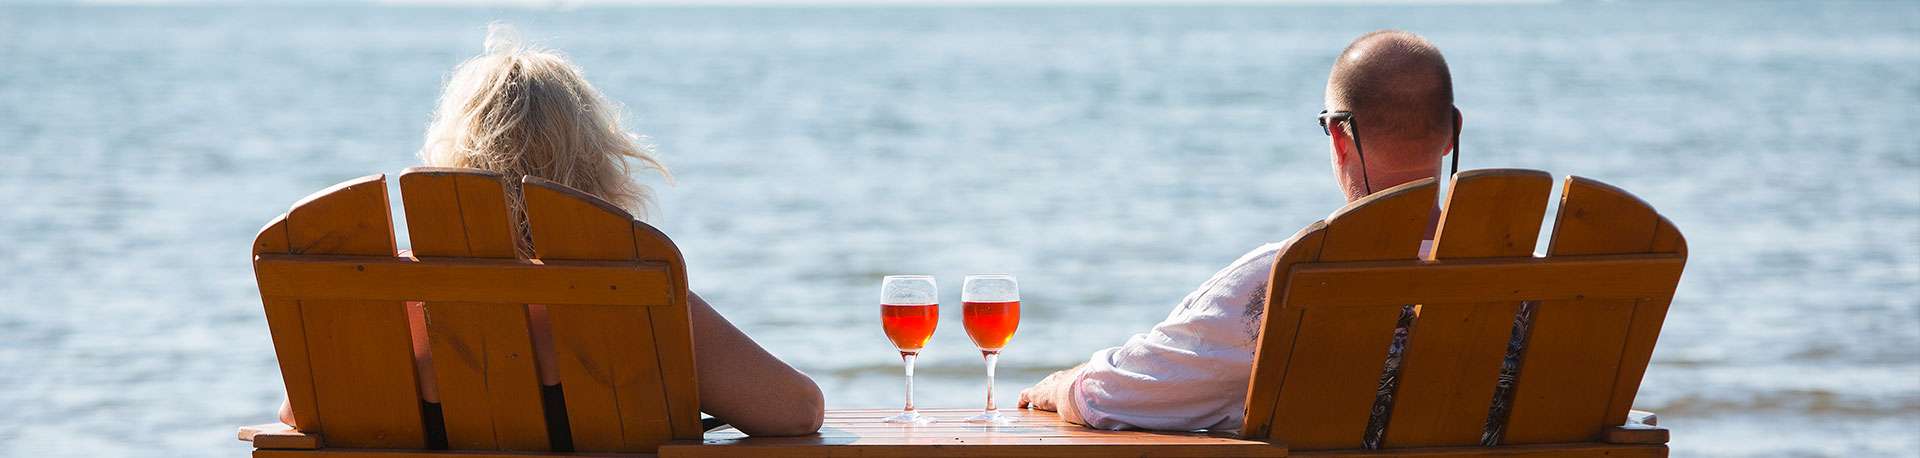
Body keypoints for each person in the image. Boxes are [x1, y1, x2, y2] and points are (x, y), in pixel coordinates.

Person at [275, 24, 825, 441]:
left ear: (452, 157)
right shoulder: (635, 292)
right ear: (598, 159)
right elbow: (797, 411)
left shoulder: (388, 298)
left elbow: (297, 415)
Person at [1017, 30, 1461, 439]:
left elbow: (1121, 393)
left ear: (1338, 137)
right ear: (1452, 132)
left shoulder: (1284, 278)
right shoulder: (1520, 281)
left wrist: (1060, 387)